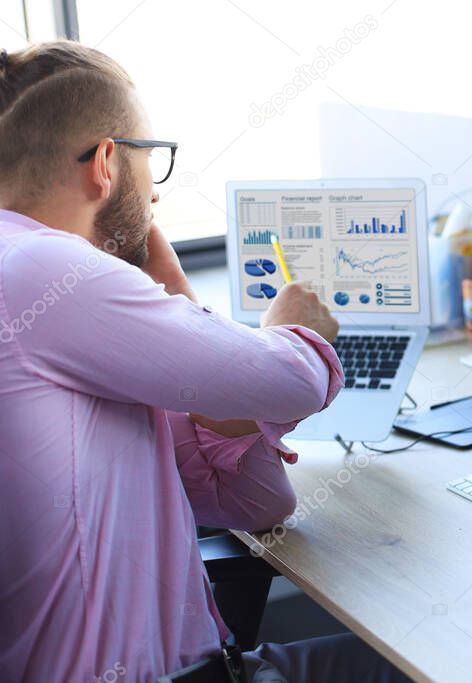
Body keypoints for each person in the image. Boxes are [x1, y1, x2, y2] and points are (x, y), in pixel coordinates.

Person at [0, 42, 410, 683]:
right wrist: (293, 330)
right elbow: (291, 380)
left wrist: (181, 303)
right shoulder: (41, 271)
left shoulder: (42, 285)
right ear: (107, 162)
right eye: (150, 160)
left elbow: (253, 505)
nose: (155, 198)